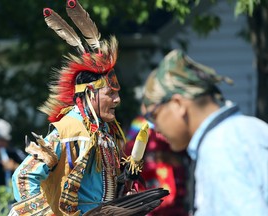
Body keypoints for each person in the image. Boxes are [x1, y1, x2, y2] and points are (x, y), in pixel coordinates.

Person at [9, 1, 168, 215]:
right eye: (110, 93)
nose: (117, 100)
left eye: (117, 93)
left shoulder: (105, 134)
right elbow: (24, 177)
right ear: (90, 94)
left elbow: (100, 191)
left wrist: (124, 192)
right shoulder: (70, 131)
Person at [142, 49, 268, 216]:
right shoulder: (252, 127)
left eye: (153, 115)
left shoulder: (219, 147)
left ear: (178, 104)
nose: (154, 127)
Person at [125, 104, 188, 216]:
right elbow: (131, 151)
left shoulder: (171, 121)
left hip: (171, 179)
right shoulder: (140, 123)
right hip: (150, 179)